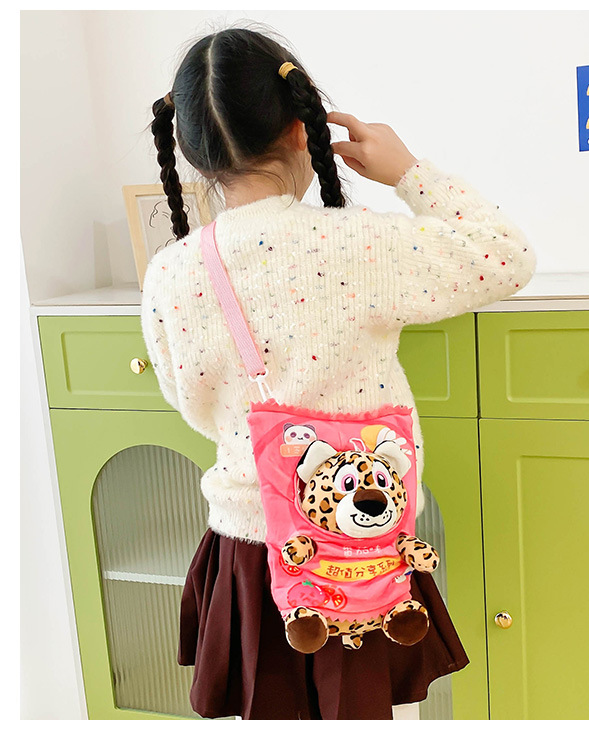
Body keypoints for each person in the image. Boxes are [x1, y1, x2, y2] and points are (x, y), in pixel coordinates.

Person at [141, 24, 536, 721]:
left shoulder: (170, 272)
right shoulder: (361, 243)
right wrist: (408, 171)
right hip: (362, 553)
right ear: (302, 129)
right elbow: (505, 256)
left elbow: (190, 403)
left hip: (247, 549)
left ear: (191, 152)